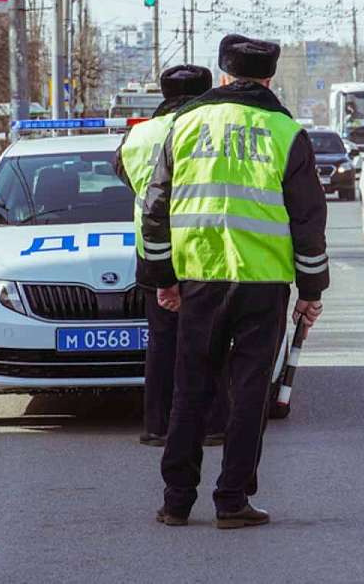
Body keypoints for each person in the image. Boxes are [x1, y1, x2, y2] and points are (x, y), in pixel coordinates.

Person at [140, 35, 329, 529]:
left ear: (222, 75)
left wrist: (162, 277)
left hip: (198, 277)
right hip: (263, 281)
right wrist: (311, 292)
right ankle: (232, 500)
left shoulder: (183, 125)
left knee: (190, 389)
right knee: (248, 394)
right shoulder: (285, 132)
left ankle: (176, 500)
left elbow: (155, 208)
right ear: (269, 78)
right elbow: (308, 220)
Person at [114, 64, 214, 447]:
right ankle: (211, 424)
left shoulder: (138, 135)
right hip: (204, 247)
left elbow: (123, 173)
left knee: (161, 342)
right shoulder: (206, 130)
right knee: (208, 341)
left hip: (152, 249)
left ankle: (156, 425)